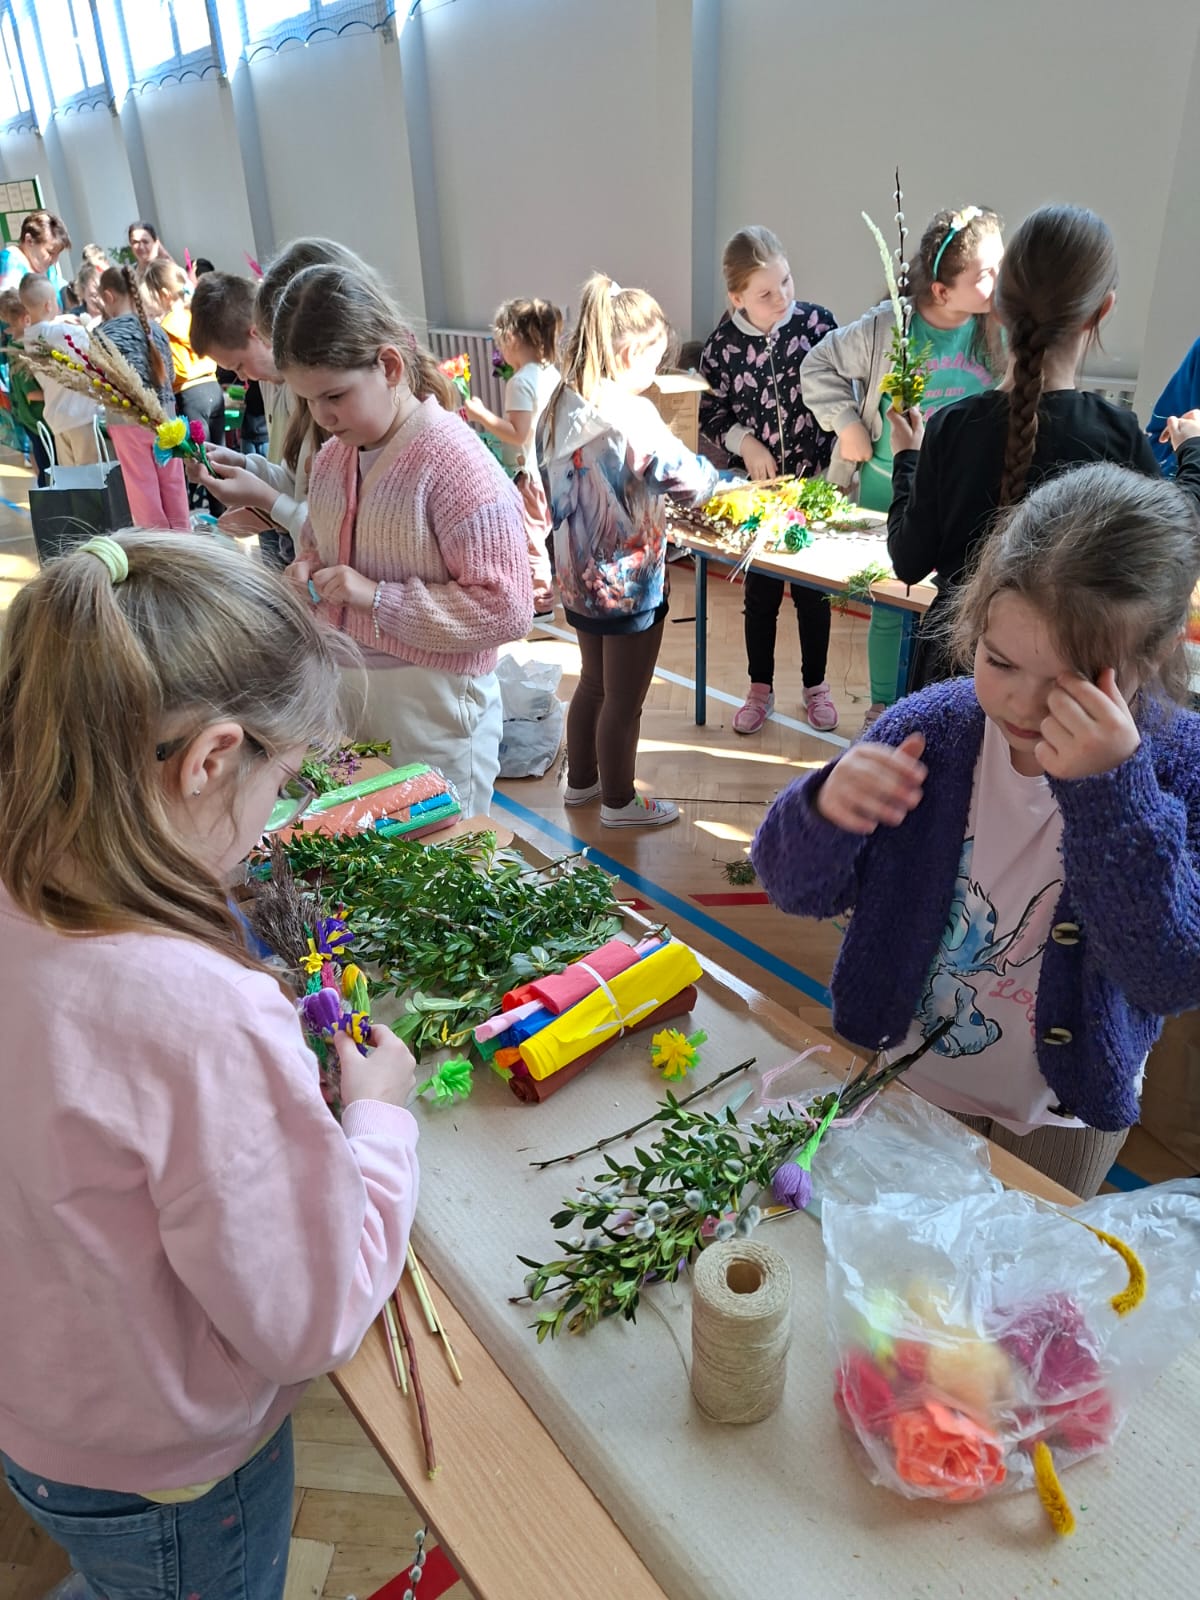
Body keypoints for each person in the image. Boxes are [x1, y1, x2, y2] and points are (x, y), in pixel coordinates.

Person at [0, 530, 420, 1600]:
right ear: (212, 759)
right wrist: (378, 1119)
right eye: (281, 779)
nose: (274, 815)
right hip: (173, 1475)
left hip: (42, 1412)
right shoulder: (197, 1014)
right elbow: (306, 1319)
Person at [752, 462, 1200, 1200]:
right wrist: (823, 809)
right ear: (978, 624)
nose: (1022, 704)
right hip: (908, 1080)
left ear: (1151, 657)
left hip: (1062, 1116)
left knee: (1027, 1261)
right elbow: (795, 889)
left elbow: (1171, 972)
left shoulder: (1179, 767)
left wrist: (1112, 795)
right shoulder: (930, 730)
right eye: (1000, 662)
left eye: (1072, 685)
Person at [275, 264, 533, 815]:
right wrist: (306, 569)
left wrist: (376, 598)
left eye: (334, 395)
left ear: (389, 366)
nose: (322, 416)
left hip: (431, 709)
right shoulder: (333, 458)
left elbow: (507, 608)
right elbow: (319, 543)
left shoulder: (457, 465)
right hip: (348, 695)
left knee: (443, 852)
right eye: (308, 400)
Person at [886, 205, 1161, 689]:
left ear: (998, 304)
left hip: (953, 672)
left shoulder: (952, 428)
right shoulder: (1118, 437)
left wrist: (908, 458)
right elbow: (1167, 556)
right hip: (1064, 687)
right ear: (1102, 310)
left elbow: (908, 562)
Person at [801, 205, 1003, 730]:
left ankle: (942, 709)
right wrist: (846, 422)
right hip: (891, 490)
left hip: (963, 498)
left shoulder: (997, 331)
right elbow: (816, 365)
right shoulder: (888, 327)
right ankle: (883, 710)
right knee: (891, 604)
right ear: (941, 291)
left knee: (957, 607)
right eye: (986, 273)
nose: (1000, 281)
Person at [538, 274, 720, 827]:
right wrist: (719, 479)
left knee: (592, 683)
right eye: (655, 359)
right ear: (626, 355)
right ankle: (619, 803)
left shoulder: (560, 405)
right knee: (625, 699)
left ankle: (581, 783)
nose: (657, 372)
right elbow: (685, 480)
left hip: (577, 579)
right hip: (627, 582)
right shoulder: (630, 414)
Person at [699, 226, 839, 734]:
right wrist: (746, 444)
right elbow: (710, 412)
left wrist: (839, 461)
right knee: (760, 597)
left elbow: (844, 393)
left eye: (786, 281)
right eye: (765, 293)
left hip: (815, 486)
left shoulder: (819, 325)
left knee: (813, 596)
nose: (781, 297)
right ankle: (760, 687)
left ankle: (815, 686)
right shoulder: (721, 347)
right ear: (737, 298)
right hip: (759, 497)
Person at [189, 242, 382, 569]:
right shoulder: (310, 400)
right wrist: (247, 468)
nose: (322, 414)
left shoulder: (373, 435)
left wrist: (269, 502)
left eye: (333, 396)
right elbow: (304, 487)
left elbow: (341, 535)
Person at [190, 270, 302, 567]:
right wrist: (241, 463)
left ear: (257, 334)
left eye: (239, 365)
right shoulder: (269, 381)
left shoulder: (309, 391)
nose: (242, 378)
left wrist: (266, 504)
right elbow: (290, 474)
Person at [465, 296, 563, 613]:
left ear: (510, 338)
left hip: (529, 474)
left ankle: (540, 602)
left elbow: (518, 434)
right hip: (552, 469)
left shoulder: (520, 382)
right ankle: (550, 590)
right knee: (544, 534)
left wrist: (481, 415)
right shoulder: (551, 373)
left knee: (531, 538)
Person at [97, 265, 190, 530]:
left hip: (127, 422)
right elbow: (171, 375)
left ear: (108, 296)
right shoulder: (156, 329)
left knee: (142, 488)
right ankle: (186, 542)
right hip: (166, 417)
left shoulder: (103, 333)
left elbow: (101, 383)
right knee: (174, 485)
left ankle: (157, 547)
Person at [140, 257, 226, 513]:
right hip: (212, 387)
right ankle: (228, 515)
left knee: (200, 462)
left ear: (163, 294)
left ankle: (214, 520)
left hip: (189, 393)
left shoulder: (165, 327)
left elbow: (172, 371)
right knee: (219, 457)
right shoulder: (194, 317)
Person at [18, 272, 102, 466]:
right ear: (49, 305)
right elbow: (91, 340)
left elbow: (46, 329)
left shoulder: (29, 339)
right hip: (80, 416)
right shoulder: (63, 332)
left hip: (57, 420)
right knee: (93, 475)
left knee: (72, 478)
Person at [0, 287, 50, 484]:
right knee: (47, 471)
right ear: (24, 319)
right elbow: (31, 393)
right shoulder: (21, 351)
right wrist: (58, 392)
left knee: (42, 464)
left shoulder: (14, 346)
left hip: (30, 419)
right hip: (37, 420)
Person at [0, 210, 71, 291]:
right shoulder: (9, 264)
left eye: (57, 254)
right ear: (29, 241)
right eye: (50, 253)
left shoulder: (45, 266)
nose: (54, 261)